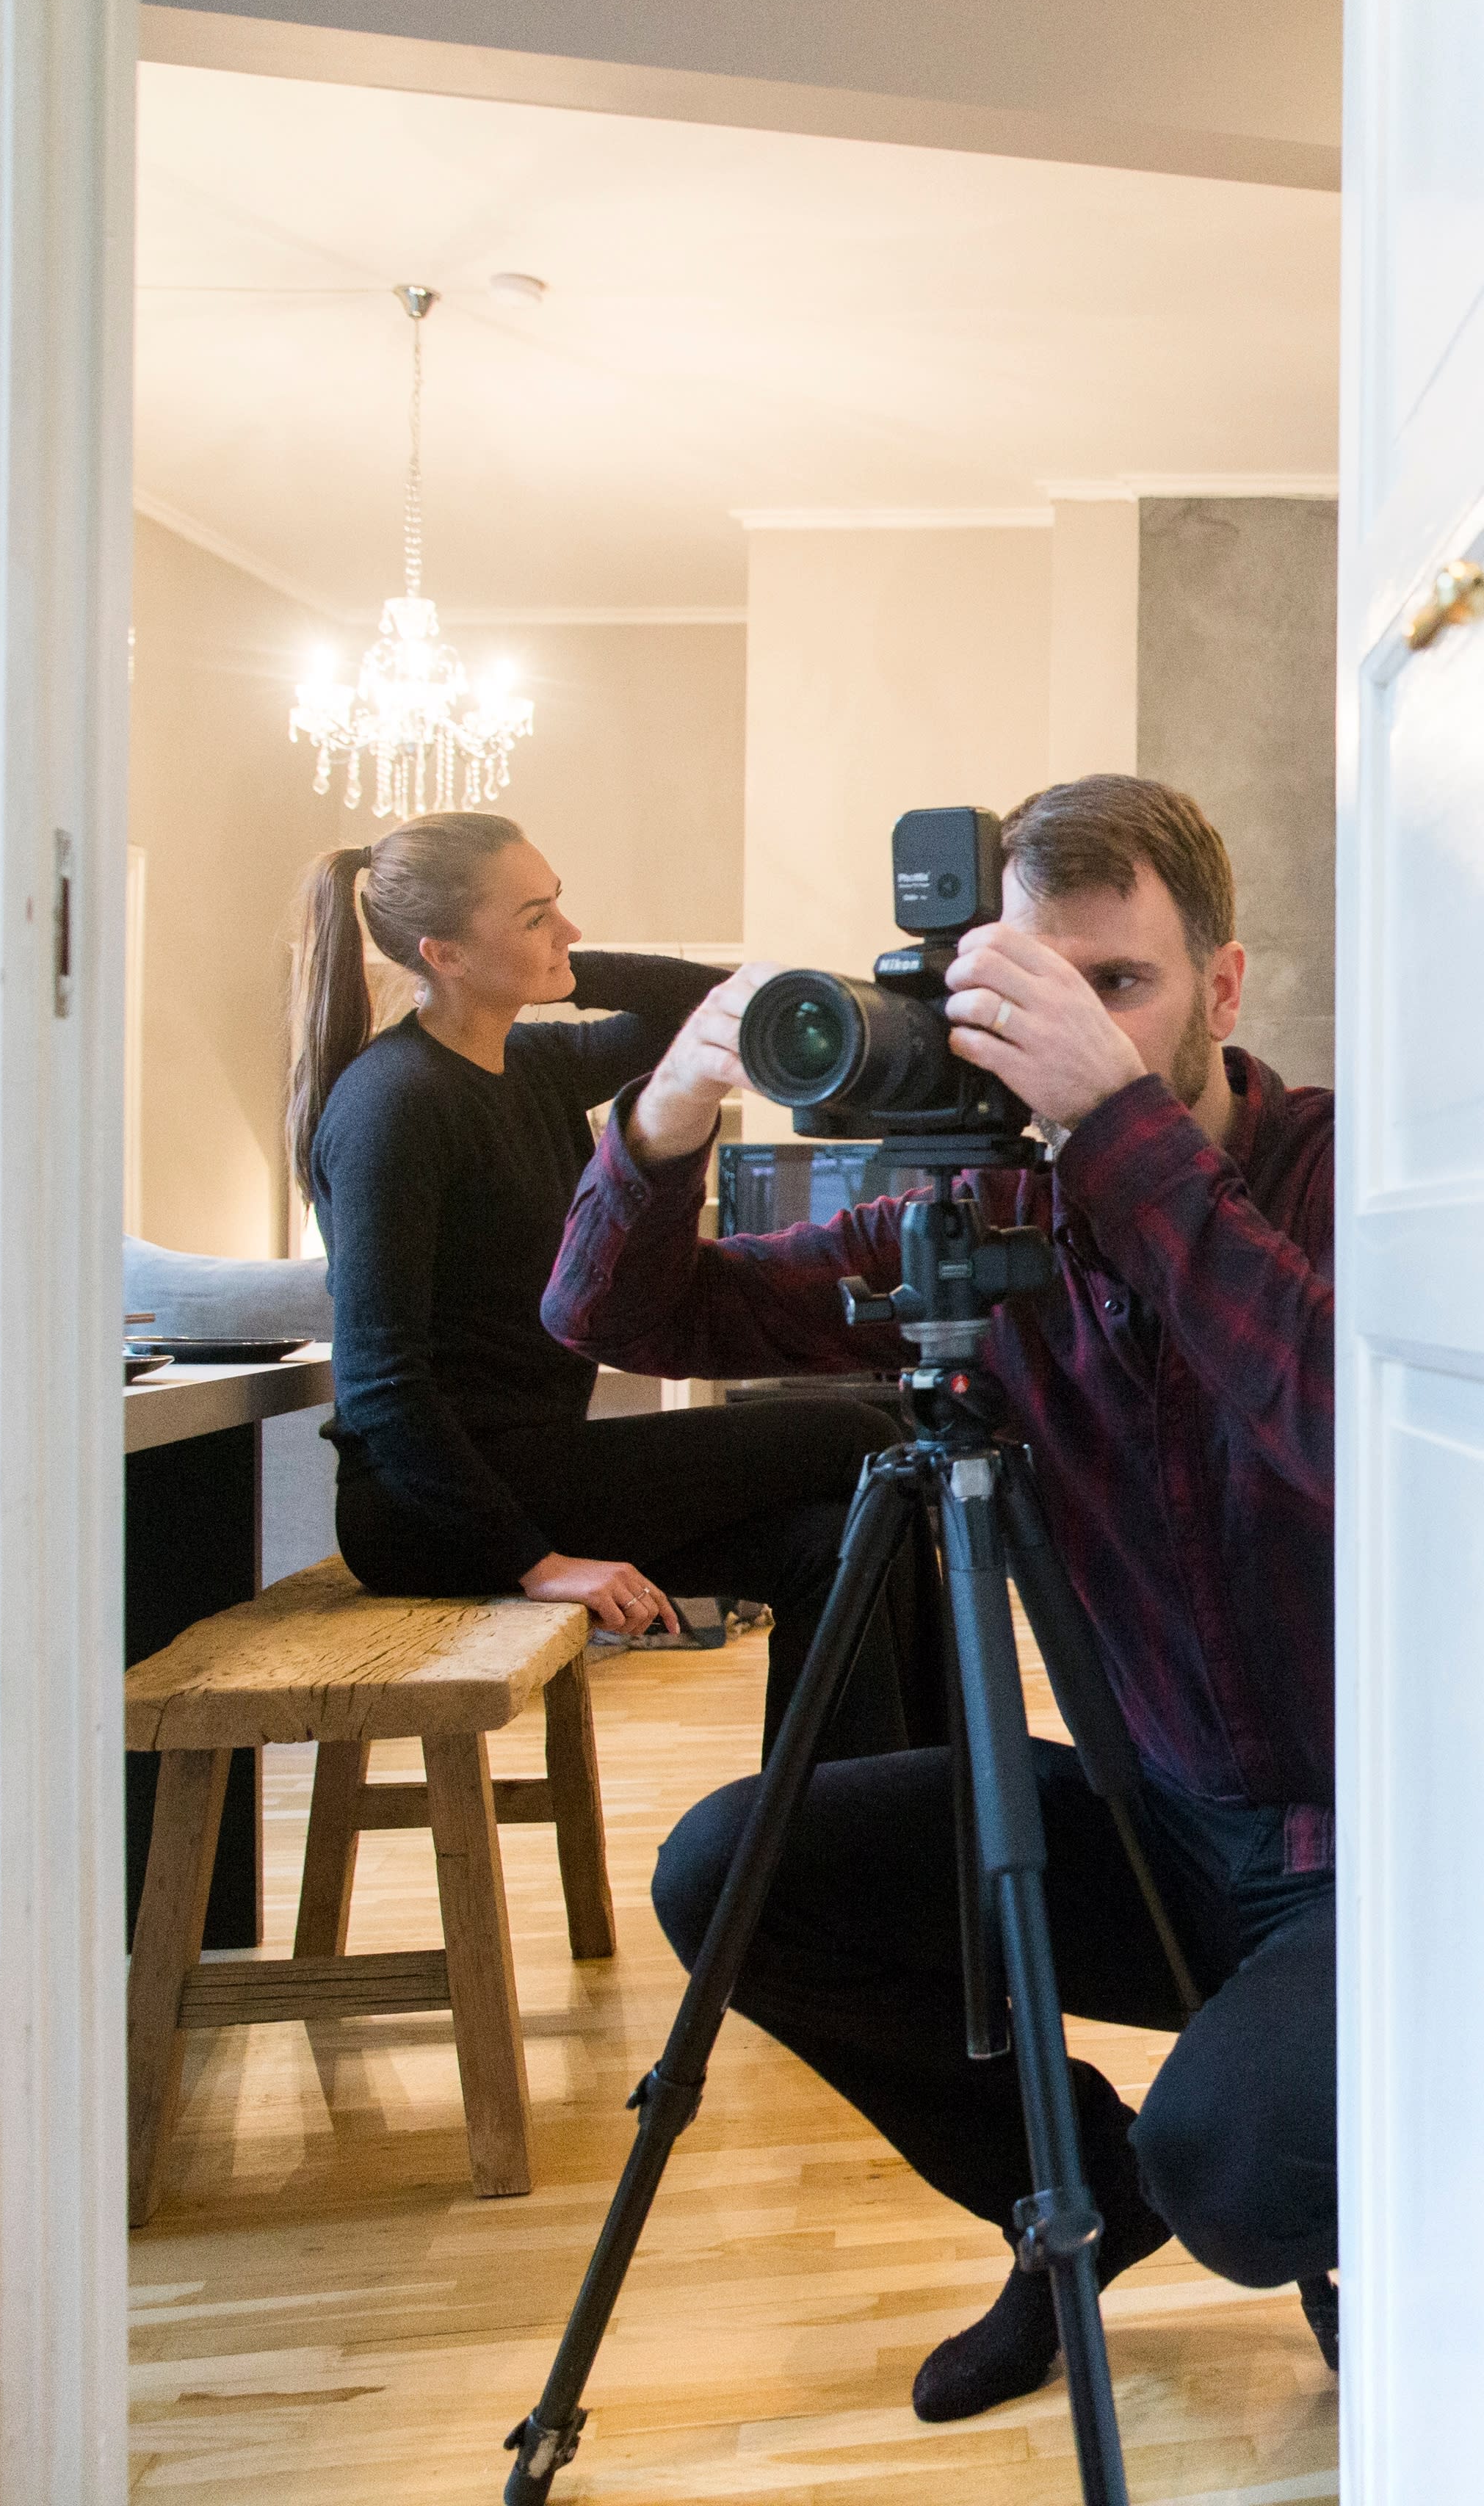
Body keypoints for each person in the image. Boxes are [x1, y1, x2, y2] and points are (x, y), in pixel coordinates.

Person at [543, 773, 1336, 2422]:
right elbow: (625, 1312)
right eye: (1029, 993)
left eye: (1117, 987)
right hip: (1154, 1824)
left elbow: (1340, 1415)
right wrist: (670, 1108)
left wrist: (1117, 1135)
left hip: (1384, 1859)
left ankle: (1353, 2218)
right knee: (731, 1872)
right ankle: (1070, 2205)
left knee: (1235, 2170)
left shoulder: (1347, 1177)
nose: (1069, 1035)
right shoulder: (989, 1224)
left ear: (1224, 988)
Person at [290, 811, 938, 1759]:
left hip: (533, 1466)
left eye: (557, 905)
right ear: (445, 954)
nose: (571, 929)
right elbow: (380, 1383)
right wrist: (536, 1563)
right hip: (433, 1509)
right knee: (860, 1437)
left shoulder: (527, 1066)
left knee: (837, 1537)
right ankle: (899, 1800)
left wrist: (555, 966)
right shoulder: (395, 1105)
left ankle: (881, 1813)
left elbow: (714, 1006)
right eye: (536, 917)